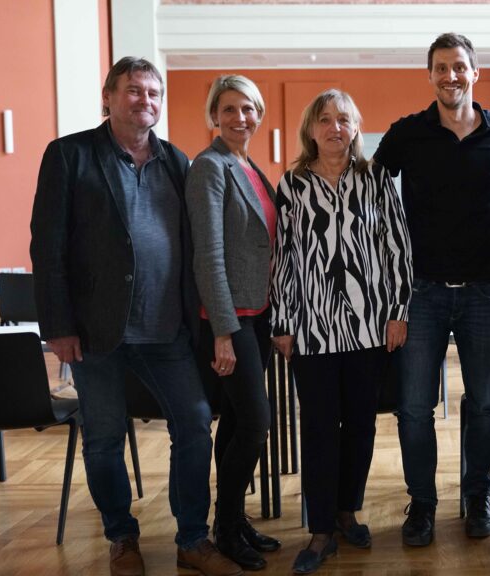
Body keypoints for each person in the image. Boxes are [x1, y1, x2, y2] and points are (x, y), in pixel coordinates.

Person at [30, 57, 242, 576]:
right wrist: (57, 327)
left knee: (193, 424)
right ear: (108, 97)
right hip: (96, 331)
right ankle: (122, 539)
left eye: (153, 93)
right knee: (104, 438)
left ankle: (192, 539)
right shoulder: (69, 155)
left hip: (166, 328)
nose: (144, 101)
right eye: (133, 91)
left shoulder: (177, 160)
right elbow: (47, 246)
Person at [373, 31, 490, 546]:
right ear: (430, 75)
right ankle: (423, 504)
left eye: (459, 66)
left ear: (475, 72)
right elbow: (370, 189)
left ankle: (476, 496)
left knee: (482, 402)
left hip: (483, 290)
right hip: (421, 291)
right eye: (440, 67)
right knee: (415, 407)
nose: (450, 75)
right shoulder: (407, 134)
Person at [271, 88, 413, 574]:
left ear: (356, 128)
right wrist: (283, 321)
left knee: (361, 424)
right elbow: (285, 259)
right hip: (310, 329)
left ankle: (348, 510)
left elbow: (398, 247)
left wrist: (398, 310)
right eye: (326, 119)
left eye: (344, 120)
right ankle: (320, 531)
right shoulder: (291, 185)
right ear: (311, 128)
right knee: (317, 426)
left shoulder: (376, 180)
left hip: (371, 326)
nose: (335, 128)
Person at [185, 74, 282, 572]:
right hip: (230, 320)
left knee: (240, 422)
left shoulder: (250, 167)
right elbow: (209, 254)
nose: (239, 117)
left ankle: (233, 520)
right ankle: (223, 528)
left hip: (258, 312)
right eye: (228, 109)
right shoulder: (209, 166)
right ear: (213, 116)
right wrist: (222, 331)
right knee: (257, 422)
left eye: (247, 108)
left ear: (259, 114)